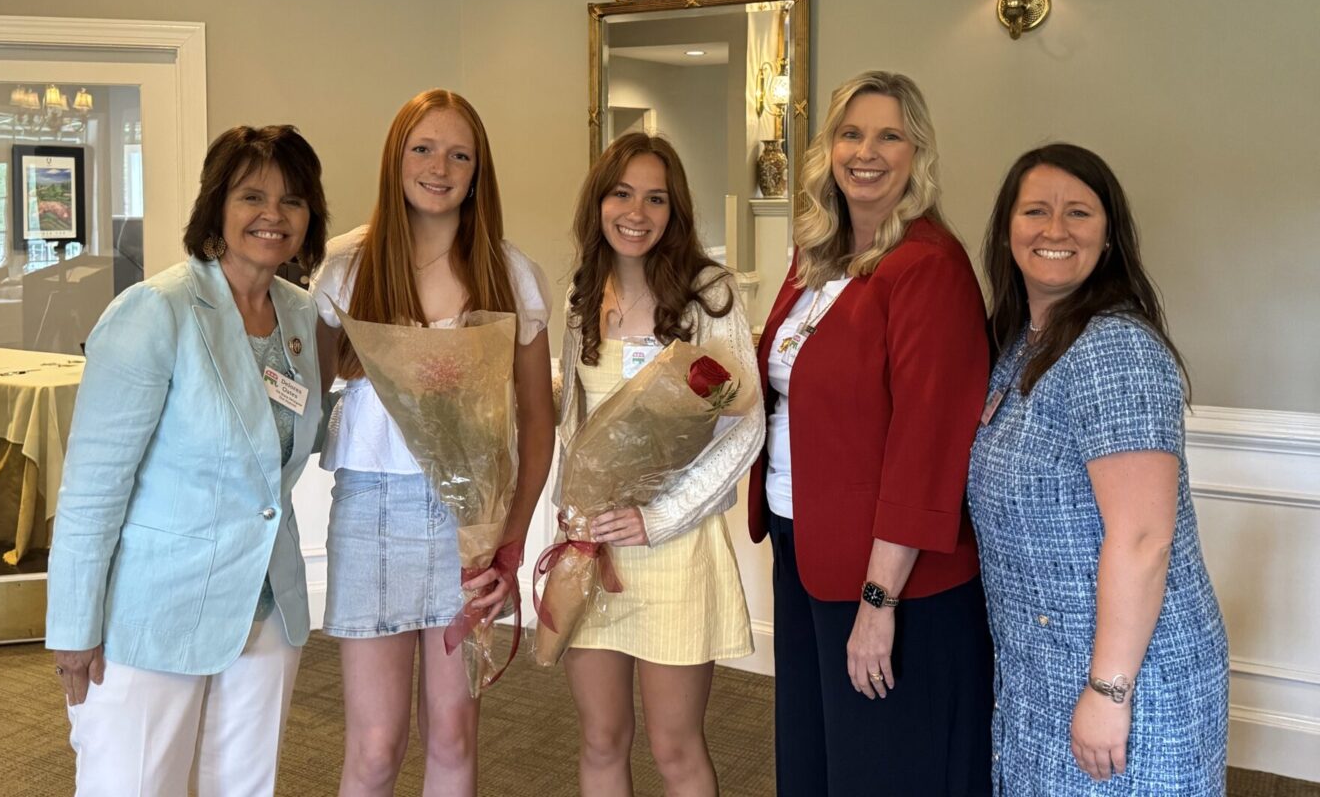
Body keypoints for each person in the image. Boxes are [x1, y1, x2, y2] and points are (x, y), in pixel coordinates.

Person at [47, 124, 330, 796]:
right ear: (217, 209)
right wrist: (73, 624)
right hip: (156, 609)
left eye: (293, 200)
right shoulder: (156, 311)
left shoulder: (300, 316)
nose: (273, 215)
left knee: (244, 786)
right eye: (251, 196)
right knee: (136, 784)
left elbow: (288, 447)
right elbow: (93, 487)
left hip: (265, 607)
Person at [747, 71, 993, 796]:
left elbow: (927, 446)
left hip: (891, 580)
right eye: (852, 133)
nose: (868, 151)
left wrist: (878, 603)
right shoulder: (814, 260)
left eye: (890, 135)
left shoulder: (929, 268)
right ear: (829, 148)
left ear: (918, 153)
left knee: (883, 770)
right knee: (817, 759)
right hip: (804, 548)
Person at [311, 89, 554, 797]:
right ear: (396, 158)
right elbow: (304, 390)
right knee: (376, 743)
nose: (439, 166)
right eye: (423, 148)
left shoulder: (512, 274)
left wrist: (511, 539)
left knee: (452, 733)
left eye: (459, 154)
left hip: (467, 524)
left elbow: (537, 420)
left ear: (479, 171)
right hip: (370, 513)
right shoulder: (345, 269)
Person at [968, 144, 1227, 794]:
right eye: (1036, 211)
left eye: (1078, 213)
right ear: (1008, 230)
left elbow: (1143, 540)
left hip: (1129, 677)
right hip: (1043, 667)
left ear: (1108, 239)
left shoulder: (1114, 349)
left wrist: (1109, 691)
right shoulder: (1019, 345)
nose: (1055, 230)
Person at [553, 133, 764, 796]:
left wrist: (657, 517)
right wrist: (572, 515)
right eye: (622, 194)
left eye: (655, 198)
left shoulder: (710, 296)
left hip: (672, 547)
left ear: (675, 211)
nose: (636, 213)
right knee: (602, 739)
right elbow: (570, 416)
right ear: (600, 201)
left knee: (676, 748)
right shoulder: (580, 293)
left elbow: (743, 424)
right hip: (593, 551)